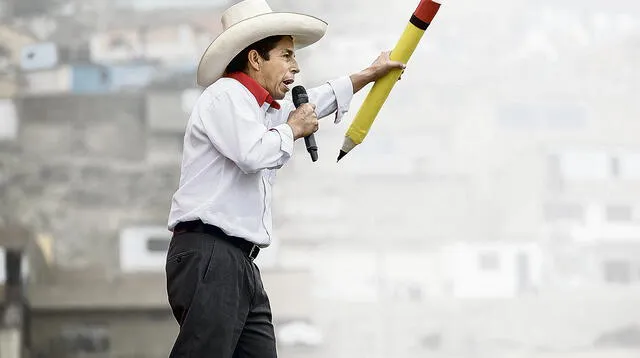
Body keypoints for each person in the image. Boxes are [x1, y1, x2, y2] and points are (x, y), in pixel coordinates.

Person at [165, 0, 406, 356]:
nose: (295, 66)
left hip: (240, 260)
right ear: (255, 59)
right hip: (211, 253)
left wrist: (368, 75)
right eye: (287, 55)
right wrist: (292, 130)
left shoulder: (262, 109)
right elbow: (252, 153)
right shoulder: (226, 97)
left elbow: (314, 103)